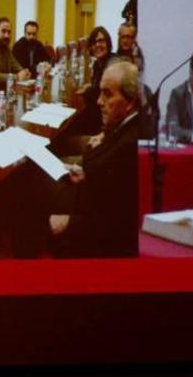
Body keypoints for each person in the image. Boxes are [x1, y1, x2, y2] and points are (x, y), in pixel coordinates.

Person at [49, 62, 139, 258]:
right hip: (85, 189)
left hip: (87, 225)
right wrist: (86, 174)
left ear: (130, 102)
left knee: (28, 189)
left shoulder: (130, 146)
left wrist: (69, 222)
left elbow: (121, 224)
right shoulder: (123, 127)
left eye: (107, 94)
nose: (99, 101)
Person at [71, 26, 116, 135]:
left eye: (101, 41)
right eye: (94, 42)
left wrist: (88, 90)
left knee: (68, 131)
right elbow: (96, 86)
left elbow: (99, 92)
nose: (98, 45)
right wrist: (90, 87)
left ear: (108, 43)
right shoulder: (97, 64)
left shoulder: (112, 65)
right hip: (96, 115)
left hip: (104, 125)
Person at [0, 17, 30, 84]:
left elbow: (16, 65)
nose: (6, 35)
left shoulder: (6, 47)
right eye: (3, 31)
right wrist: (17, 77)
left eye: (9, 32)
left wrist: (24, 72)